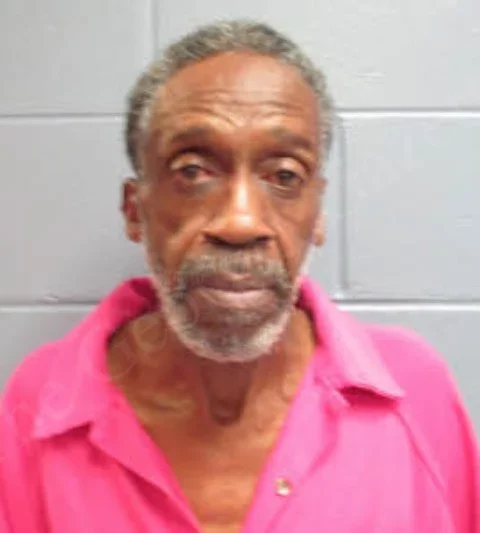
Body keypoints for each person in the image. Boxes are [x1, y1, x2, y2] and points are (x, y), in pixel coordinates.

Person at [0, 19, 478, 533]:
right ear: (135, 210)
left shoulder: (414, 391)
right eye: (192, 171)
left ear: (317, 214)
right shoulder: (38, 406)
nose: (240, 222)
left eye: (284, 176)